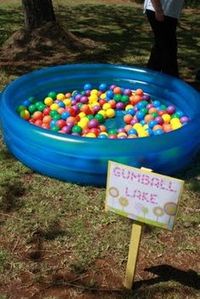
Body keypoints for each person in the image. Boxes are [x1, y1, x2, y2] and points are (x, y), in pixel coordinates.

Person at [144, 0, 184, 77]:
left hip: (168, 13)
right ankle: (171, 80)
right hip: (160, 11)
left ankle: (152, 78)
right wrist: (158, 10)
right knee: (168, 48)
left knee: (161, 48)